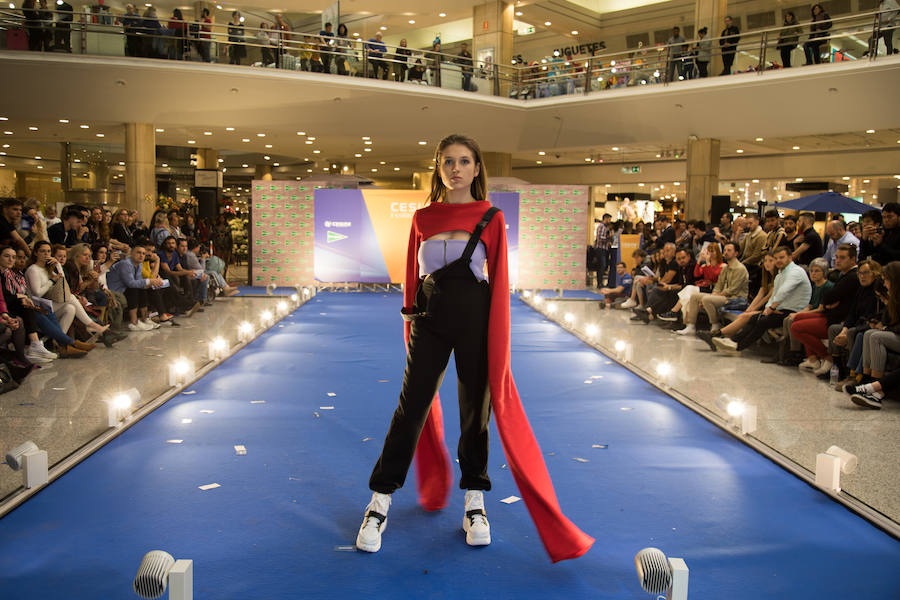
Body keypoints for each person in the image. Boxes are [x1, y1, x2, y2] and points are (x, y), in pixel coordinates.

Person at [356, 134, 593, 562]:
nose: (456, 168)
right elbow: (412, 278)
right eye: (448, 161)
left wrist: (499, 338)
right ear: (438, 168)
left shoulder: (492, 217)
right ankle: (379, 502)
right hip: (429, 324)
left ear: (477, 168)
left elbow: (499, 284)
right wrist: (409, 322)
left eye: (465, 161)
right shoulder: (422, 217)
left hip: (476, 325)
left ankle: (475, 502)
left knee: (475, 414)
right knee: (410, 410)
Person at [713, 246, 811, 354]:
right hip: (781, 309)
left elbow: (784, 291)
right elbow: (774, 295)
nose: (778, 260)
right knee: (754, 318)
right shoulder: (781, 274)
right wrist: (768, 308)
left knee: (762, 321)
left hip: (795, 311)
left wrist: (771, 307)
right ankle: (733, 341)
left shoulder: (795, 272)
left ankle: (737, 346)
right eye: (776, 258)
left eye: (781, 257)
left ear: (790, 258)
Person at [790, 243, 859, 373]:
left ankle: (827, 357)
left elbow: (829, 296)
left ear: (853, 259)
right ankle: (813, 359)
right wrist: (831, 300)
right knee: (798, 318)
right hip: (830, 313)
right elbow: (829, 298)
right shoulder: (842, 274)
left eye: (842, 257)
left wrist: (831, 300)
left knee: (797, 327)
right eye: (837, 257)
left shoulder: (852, 277)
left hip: (837, 318)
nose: (837, 260)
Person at [25, 241, 109, 337]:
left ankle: (60, 340)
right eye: (42, 251)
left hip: (48, 304)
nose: (46, 254)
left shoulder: (47, 269)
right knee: (71, 298)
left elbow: (63, 284)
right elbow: (37, 293)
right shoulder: (33, 270)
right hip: (37, 307)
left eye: (48, 251)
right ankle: (93, 325)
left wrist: (57, 265)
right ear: (36, 253)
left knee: (70, 309)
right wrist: (51, 281)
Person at [677, 242, 748, 336]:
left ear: (736, 253)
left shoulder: (740, 268)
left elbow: (733, 290)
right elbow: (719, 285)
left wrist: (715, 296)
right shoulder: (726, 268)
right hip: (724, 296)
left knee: (706, 299)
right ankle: (691, 326)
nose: (726, 252)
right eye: (725, 250)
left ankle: (715, 324)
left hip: (735, 298)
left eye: (729, 250)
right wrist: (714, 293)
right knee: (694, 296)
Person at [105, 244, 165, 331]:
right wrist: (150, 281)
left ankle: (145, 319)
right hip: (115, 291)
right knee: (134, 289)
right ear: (131, 254)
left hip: (125, 288)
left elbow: (139, 281)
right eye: (138, 253)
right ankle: (134, 322)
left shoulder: (139, 264)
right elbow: (130, 283)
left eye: (143, 254)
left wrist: (152, 283)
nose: (141, 255)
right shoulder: (125, 264)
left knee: (145, 288)